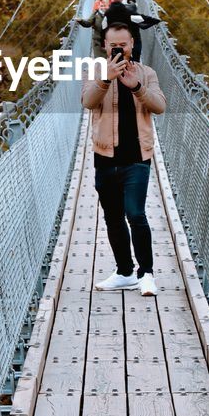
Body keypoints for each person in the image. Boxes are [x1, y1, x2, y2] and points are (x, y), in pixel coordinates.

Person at [83, 23, 167, 296]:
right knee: (113, 217)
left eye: (124, 44)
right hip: (105, 156)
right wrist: (106, 79)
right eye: (113, 45)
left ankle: (146, 274)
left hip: (137, 158)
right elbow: (87, 101)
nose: (119, 49)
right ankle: (124, 272)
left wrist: (137, 87)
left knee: (136, 213)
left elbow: (160, 106)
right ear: (105, 47)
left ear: (132, 44)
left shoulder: (147, 73)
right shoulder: (96, 71)